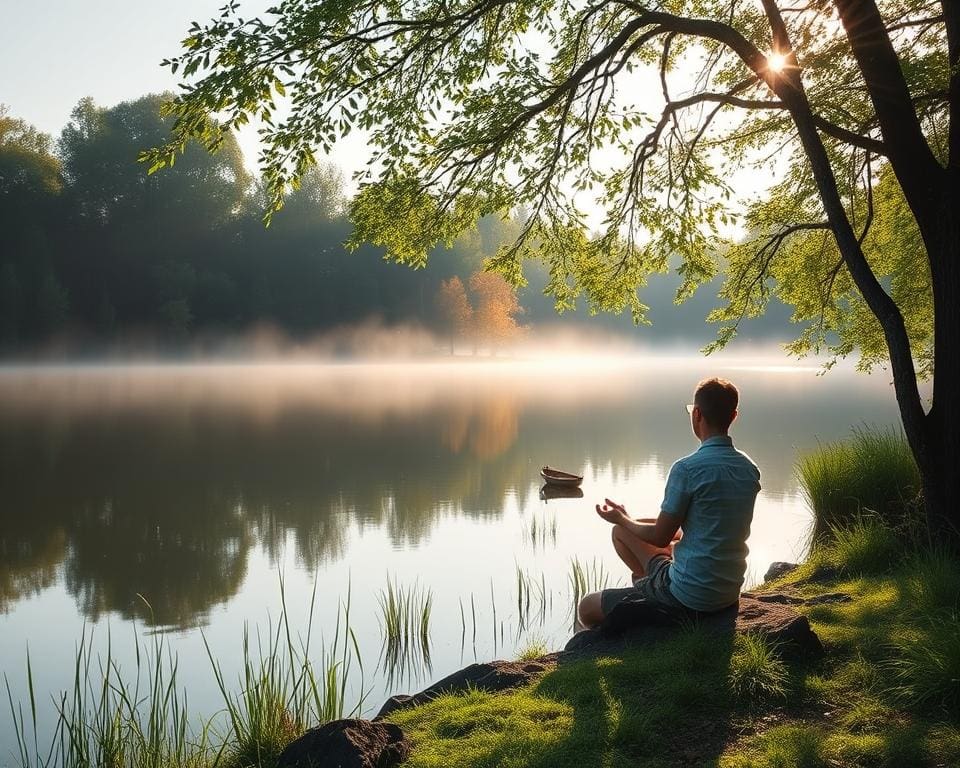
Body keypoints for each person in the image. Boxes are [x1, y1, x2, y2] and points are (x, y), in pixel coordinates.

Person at [577, 377, 761, 628]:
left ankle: (654, 605)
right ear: (734, 416)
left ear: (696, 414)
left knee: (587, 607)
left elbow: (660, 537)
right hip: (727, 594)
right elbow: (708, 525)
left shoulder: (687, 469)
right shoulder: (749, 469)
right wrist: (631, 520)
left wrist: (621, 518)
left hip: (689, 596)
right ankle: (649, 594)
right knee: (633, 531)